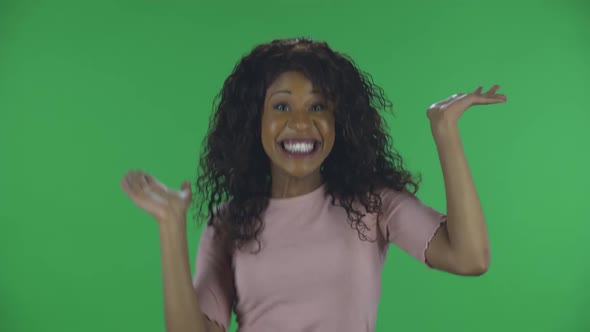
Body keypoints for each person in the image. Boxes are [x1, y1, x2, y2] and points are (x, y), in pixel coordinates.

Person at [121, 37, 506, 332]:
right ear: (256, 122)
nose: (301, 123)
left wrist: (445, 129)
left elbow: (470, 257)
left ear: (341, 120)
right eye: (282, 106)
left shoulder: (373, 205)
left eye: (318, 106)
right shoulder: (229, 222)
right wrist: (170, 228)